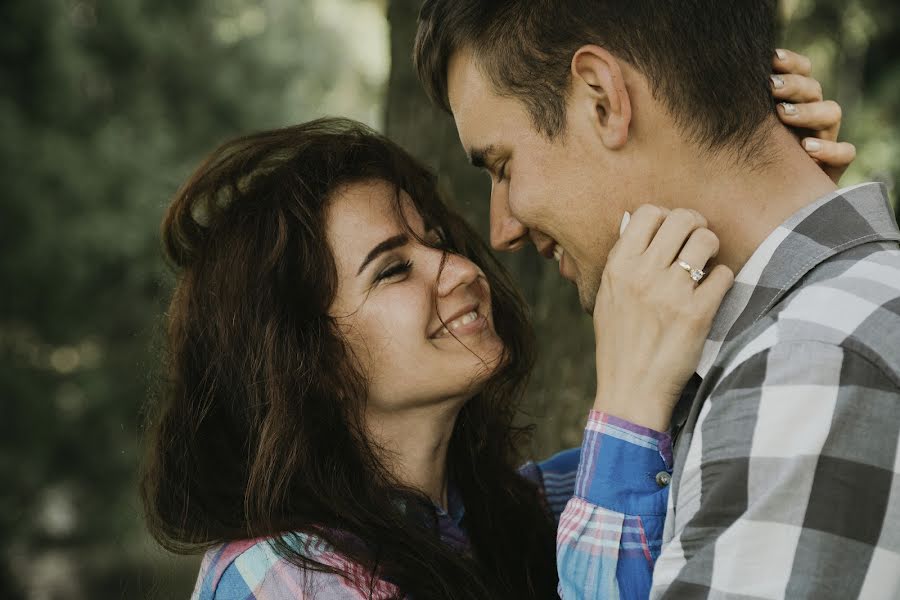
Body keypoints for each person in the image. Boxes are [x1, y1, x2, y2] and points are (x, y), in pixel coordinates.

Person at [141, 77, 848, 598]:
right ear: (308, 361)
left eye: (438, 241)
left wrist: (767, 190)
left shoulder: (526, 509)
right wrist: (628, 406)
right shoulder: (279, 578)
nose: (458, 267)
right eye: (393, 269)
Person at [413, 1, 900, 599]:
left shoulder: (807, 368)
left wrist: (625, 421)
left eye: (503, 166)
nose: (501, 230)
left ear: (603, 99)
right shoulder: (801, 344)